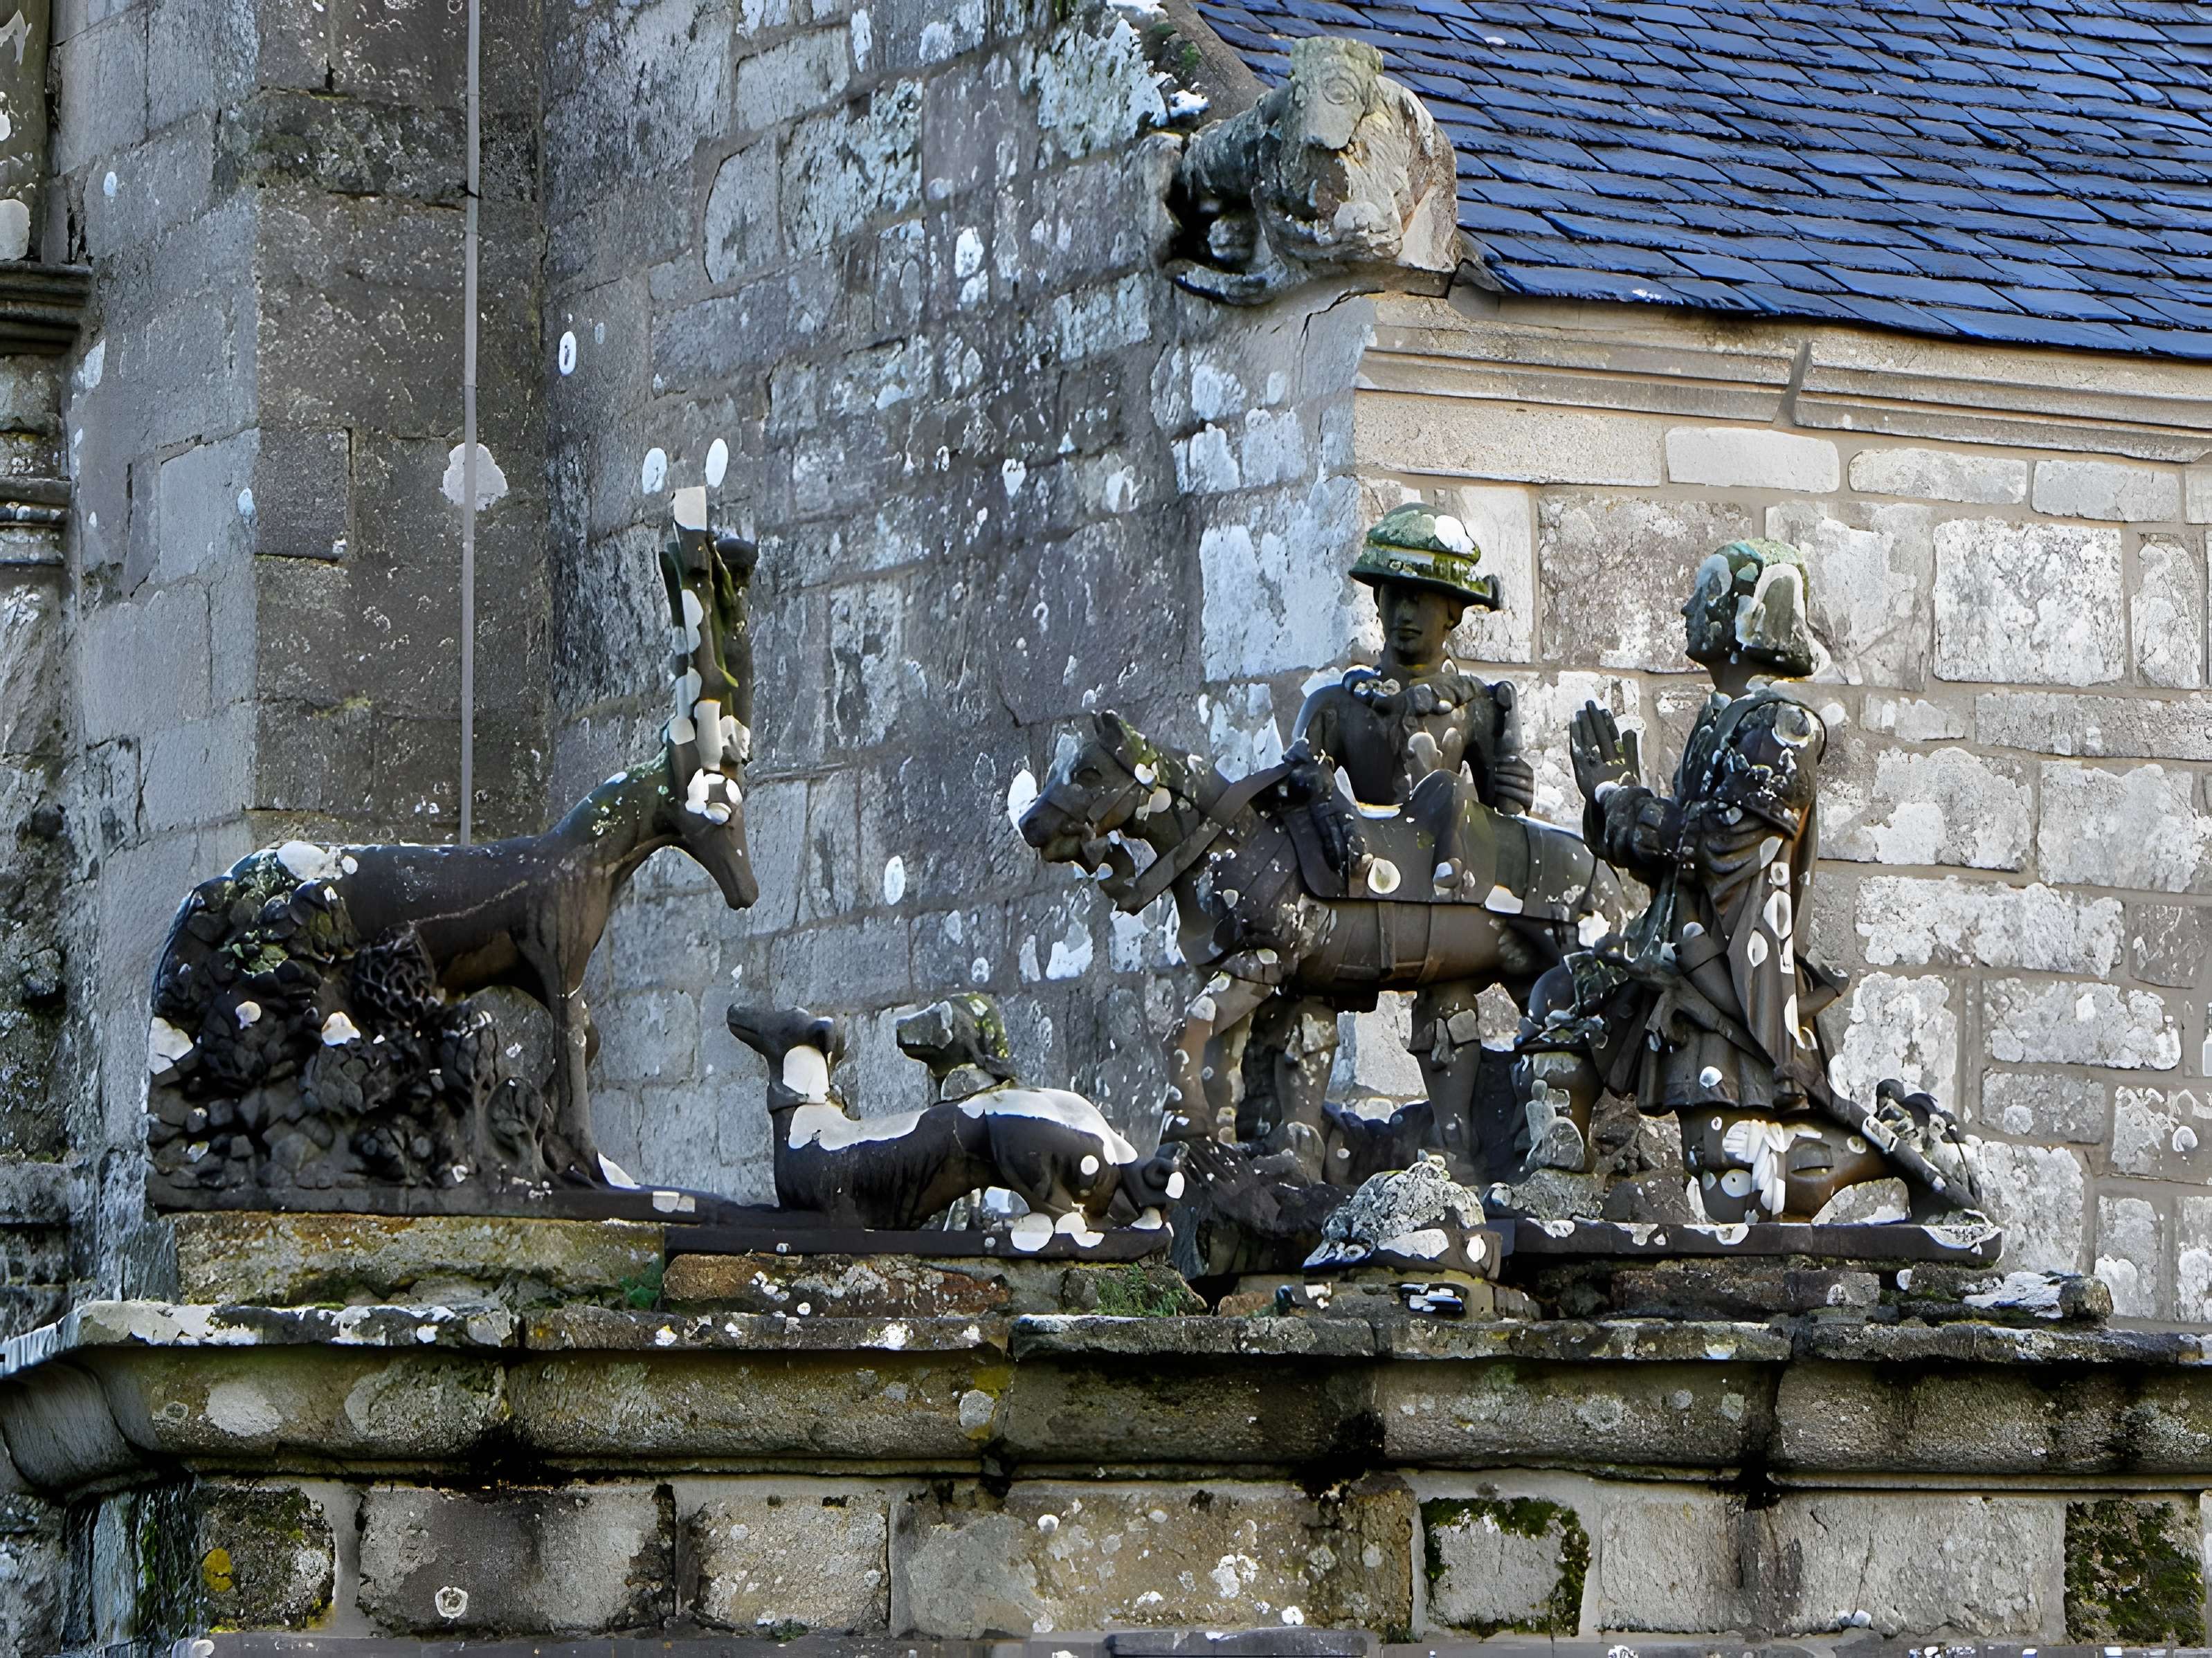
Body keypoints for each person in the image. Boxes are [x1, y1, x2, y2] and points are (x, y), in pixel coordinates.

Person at [1516, 538, 1978, 1221]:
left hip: (1729, 974)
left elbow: (1719, 845)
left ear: (1745, 617)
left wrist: (1621, 802)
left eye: (1702, 594)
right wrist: (1614, 804)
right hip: (1672, 953)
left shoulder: (1784, 727)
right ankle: (1562, 1172)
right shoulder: (1719, 723)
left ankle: (1900, 1147)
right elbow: (1679, 860)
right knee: (1563, 1002)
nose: (1685, 605)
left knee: (1732, 1183)